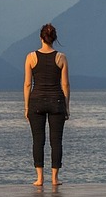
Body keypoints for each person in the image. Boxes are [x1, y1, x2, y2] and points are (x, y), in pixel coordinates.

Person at [23, 23, 70, 186]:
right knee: (56, 141)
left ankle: (40, 178)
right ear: (54, 39)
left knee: (38, 140)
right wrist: (67, 106)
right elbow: (65, 84)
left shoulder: (31, 57)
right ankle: (55, 179)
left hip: (36, 101)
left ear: (40, 38)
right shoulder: (61, 57)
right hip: (56, 101)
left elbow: (28, 84)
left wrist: (27, 107)